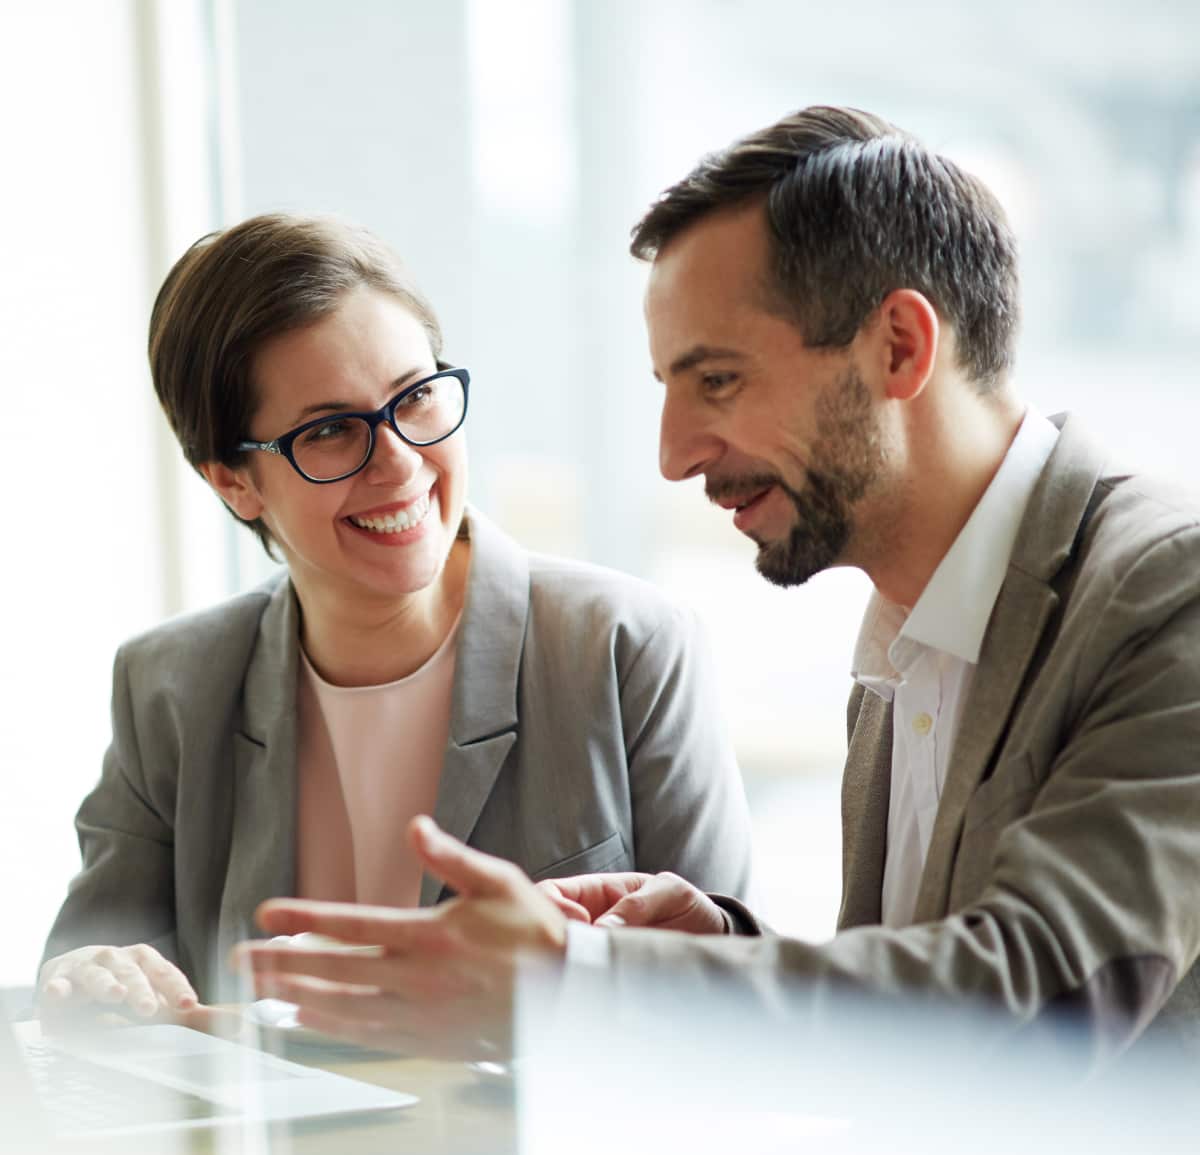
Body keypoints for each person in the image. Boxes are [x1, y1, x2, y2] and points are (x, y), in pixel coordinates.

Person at [238, 106, 1200, 1063]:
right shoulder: (909, 629)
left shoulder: (1168, 590)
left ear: (901, 348)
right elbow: (923, 1029)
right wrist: (719, 956)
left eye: (720, 382)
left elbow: (1041, 1002)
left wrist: (586, 985)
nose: (674, 454)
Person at [38, 213, 754, 1021]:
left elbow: (734, 997)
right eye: (333, 431)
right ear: (233, 482)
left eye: (414, 398)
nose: (402, 463)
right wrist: (96, 981)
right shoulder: (167, 685)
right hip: (276, 1148)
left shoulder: (624, 647)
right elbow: (84, 976)